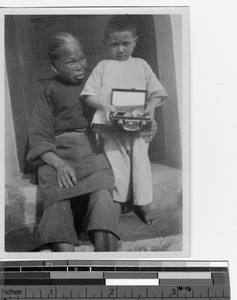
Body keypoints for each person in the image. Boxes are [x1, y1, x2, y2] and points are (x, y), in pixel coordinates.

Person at [27, 32, 120, 252]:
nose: (79, 66)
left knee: (103, 193)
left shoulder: (94, 83)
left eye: (82, 59)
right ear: (54, 66)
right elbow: (39, 134)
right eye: (70, 61)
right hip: (57, 152)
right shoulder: (47, 89)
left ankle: (105, 261)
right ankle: (64, 266)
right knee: (56, 198)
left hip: (91, 148)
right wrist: (58, 164)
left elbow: (116, 112)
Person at [81, 16, 168, 225]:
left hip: (137, 125)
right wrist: (103, 105)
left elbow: (157, 92)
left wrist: (150, 110)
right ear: (106, 44)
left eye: (125, 43)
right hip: (111, 126)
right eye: (115, 44)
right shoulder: (103, 66)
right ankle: (118, 201)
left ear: (135, 41)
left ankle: (143, 203)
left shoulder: (141, 65)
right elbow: (88, 94)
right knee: (117, 162)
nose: (120, 49)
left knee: (140, 162)